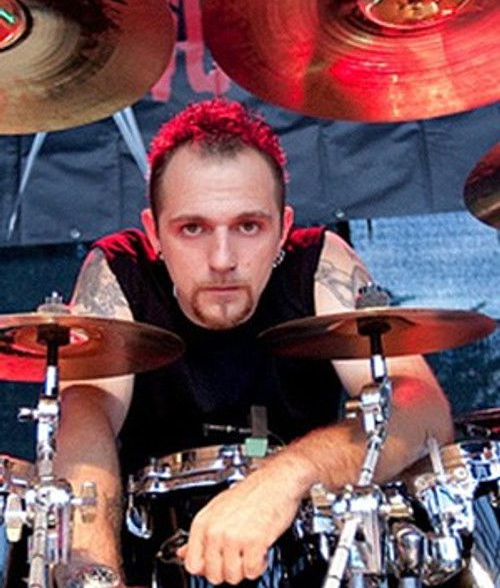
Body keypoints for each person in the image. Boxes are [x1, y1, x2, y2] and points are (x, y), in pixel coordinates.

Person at [57, 98, 453, 587]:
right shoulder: (121, 272)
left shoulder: (318, 264)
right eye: (192, 228)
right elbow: (83, 419)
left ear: (283, 229)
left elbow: (422, 408)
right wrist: (94, 574)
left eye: (248, 226)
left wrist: (287, 477)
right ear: (153, 233)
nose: (222, 259)